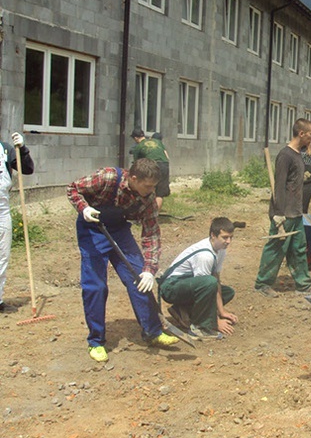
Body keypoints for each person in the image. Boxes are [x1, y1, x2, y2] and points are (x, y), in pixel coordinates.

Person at [67, 158, 179, 362]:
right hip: (92, 229)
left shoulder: (148, 199)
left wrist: (149, 269)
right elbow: (73, 189)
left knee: (138, 279)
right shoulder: (108, 177)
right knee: (96, 286)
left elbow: (151, 233)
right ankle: (96, 341)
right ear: (133, 178)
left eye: (154, 186)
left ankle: (153, 331)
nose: (151, 190)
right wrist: (84, 208)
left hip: (119, 231)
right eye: (147, 186)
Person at [254, 119, 311, 298]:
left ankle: (303, 285)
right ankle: (262, 283)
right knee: (275, 248)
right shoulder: (286, 155)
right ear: (301, 133)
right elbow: (278, 186)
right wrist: (277, 213)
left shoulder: (298, 154)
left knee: (298, 248)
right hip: (284, 213)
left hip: (296, 212)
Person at [159, 217, 238, 340]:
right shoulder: (205, 255)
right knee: (209, 283)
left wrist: (222, 312)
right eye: (225, 237)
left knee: (227, 292)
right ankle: (200, 328)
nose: (228, 241)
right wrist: (215, 321)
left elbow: (216, 278)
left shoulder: (220, 250)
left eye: (231, 237)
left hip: (187, 285)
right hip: (171, 287)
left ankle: (182, 310)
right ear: (213, 235)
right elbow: (206, 286)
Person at [0, 132, 34, 312]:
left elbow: (28, 169)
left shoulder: (5, 150)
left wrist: (22, 150)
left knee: (2, 256)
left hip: (2, 210)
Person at [130, 128, 170, 210]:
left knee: (145, 189)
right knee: (159, 193)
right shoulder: (157, 141)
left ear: (135, 138)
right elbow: (166, 156)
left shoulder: (138, 147)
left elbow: (137, 165)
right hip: (164, 164)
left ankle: (143, 212)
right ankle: (155, 215)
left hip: (152, 166)